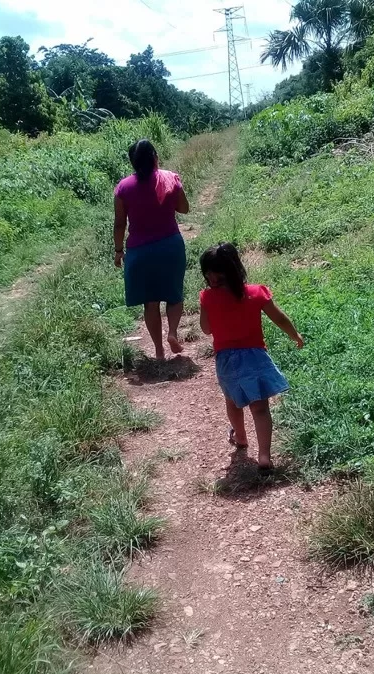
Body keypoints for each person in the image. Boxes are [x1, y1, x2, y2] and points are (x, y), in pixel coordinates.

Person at [199, 242, 304, 474]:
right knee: (260, 407)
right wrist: (295, 335)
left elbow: (206, 329)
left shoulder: (207, 297)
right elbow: (280, 318)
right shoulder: (255, 293)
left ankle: (241, 437)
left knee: (233, 401)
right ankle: (264, 456)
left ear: (210, 274)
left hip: (226, 359)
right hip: (255, 356)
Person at [114, 139, 191, 360]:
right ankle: (173, 333)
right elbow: (184, 209)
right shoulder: (169, 179)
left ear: (133, 162)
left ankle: (158, 350)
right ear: (155, 157)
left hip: (140, 252)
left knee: (151, 302)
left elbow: (120, 224)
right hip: (170, 246)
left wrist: (119, 250)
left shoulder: (123, 187)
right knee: (174, 294)